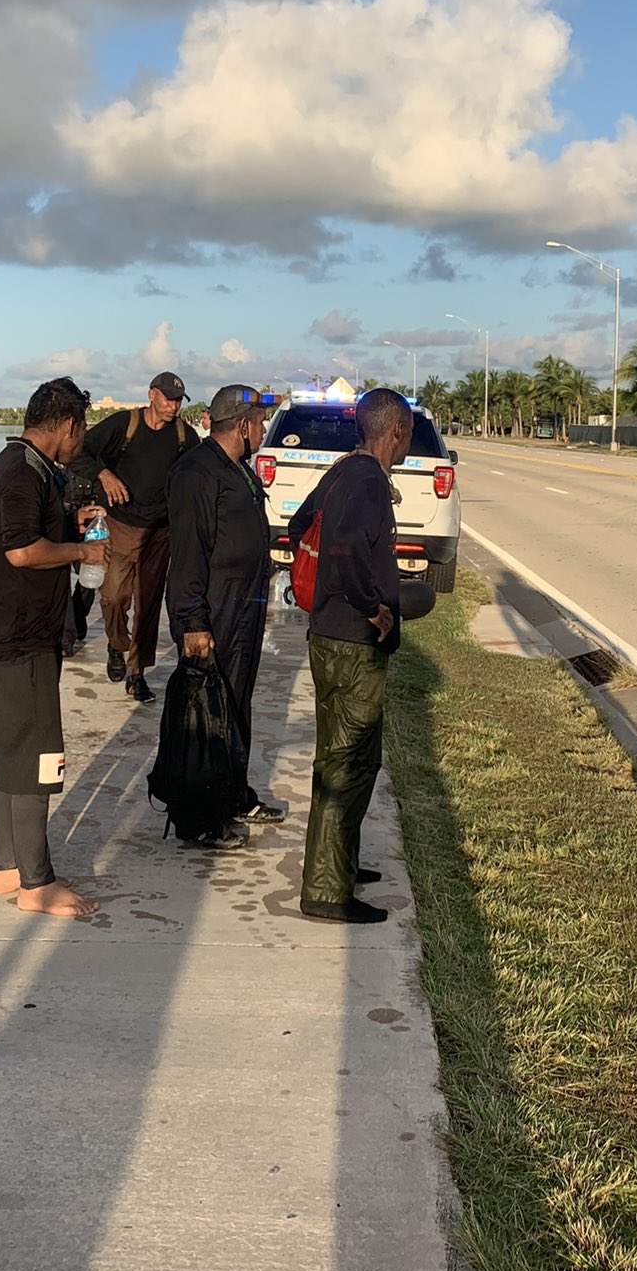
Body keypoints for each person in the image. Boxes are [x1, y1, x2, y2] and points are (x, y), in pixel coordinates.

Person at [0, 376, 110, 919]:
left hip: (11, 634)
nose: (83, 439)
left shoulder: (30, 468)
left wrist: (68, 523)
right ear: (70, 425)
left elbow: (32, 533)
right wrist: (82, 549)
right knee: (37, 758)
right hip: (21, 638)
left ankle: (8, 867)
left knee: (11, 754)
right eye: (83, 428)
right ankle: (36, 882)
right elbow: (23, 552)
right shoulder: (20, 474)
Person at [286, 387, 411, 924]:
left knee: (358, 759)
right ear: (395, 432)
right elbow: (342, 550)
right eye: (405, 432)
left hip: (332, 635)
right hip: (350, 644)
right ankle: (326, 891)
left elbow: (297, 528)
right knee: (345, 761)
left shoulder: (342, 472)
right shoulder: (365, 482)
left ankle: (342, 863)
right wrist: (371, 607)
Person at [163, 384, 285, 849]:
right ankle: (199, 818)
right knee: (207, 717)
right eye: (260, 422)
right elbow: (189, 552)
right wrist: (192, 621)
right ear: (242, 425)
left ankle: (234, 794)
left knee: (236, 704)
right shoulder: (197, 471)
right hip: (212, 610)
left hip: (244, 606)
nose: (263, 430)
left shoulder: (239, 468)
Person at [71, 371, 198, 703]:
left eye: (178, 401)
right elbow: (77, 452)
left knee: (147, 606)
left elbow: (199, 475)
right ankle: (117, 643)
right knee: (113, 596)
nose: (173, 406)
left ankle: (137, 672)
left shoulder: (185, 435)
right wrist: (104, 474)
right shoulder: (122, 426)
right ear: (151, 394)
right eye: (168, 398)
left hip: (160, 531)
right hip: (120, 525)